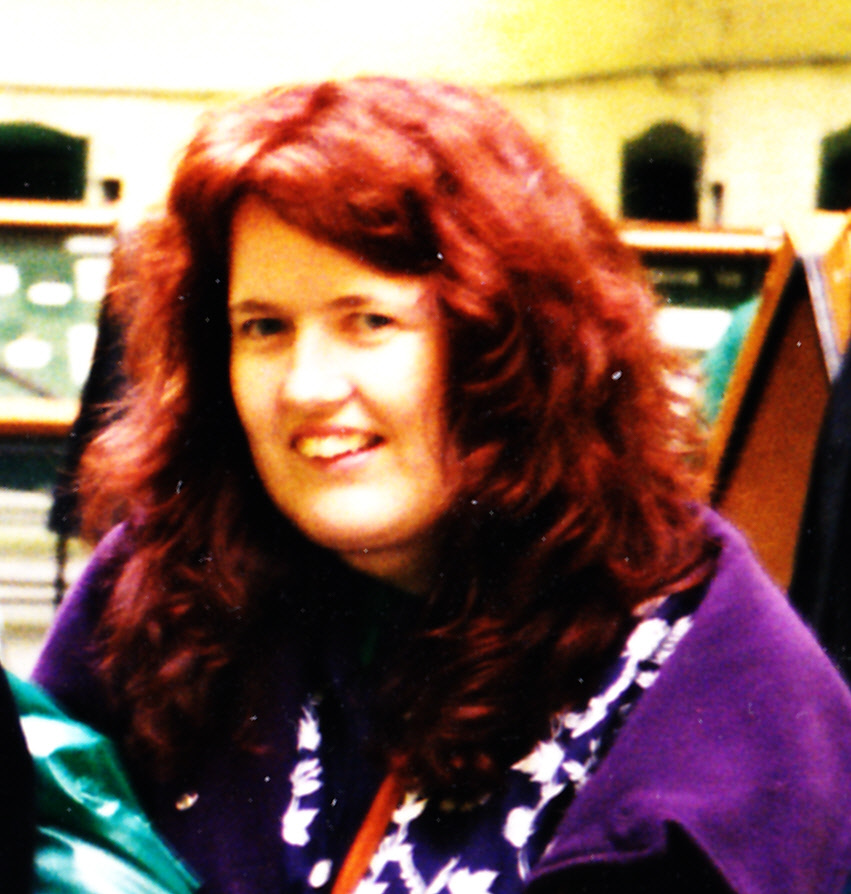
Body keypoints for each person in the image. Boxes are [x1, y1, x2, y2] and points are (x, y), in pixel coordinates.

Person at [32, 77, 851, 894]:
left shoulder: (707, 686)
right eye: (264, 327)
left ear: (505, 342)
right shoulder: (167, 587)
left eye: (370, 321)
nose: (307, 385)